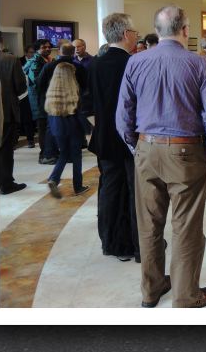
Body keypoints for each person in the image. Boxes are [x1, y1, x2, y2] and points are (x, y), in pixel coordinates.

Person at [116, 6, 206, 308]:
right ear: (185, 30)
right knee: (186, 226)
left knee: (148, 225)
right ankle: (185, 296)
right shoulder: (199, 64)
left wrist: (136, 147)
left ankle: (151, 290)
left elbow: (122, 115)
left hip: (146, 148)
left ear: (156, 30)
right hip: (186, 151)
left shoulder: (135, 61)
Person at [88, 13, 140, 262]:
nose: (137, 36)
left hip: (104, 137)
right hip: (128, 137)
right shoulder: (132, 63)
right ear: (125, 34)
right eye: (135, 31)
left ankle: (110, 241)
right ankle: (134, 244)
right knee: (134, 192)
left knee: (109, 189)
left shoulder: (95, 63)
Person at [44, 63, 90, 198]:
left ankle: (54, 179)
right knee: (76, 157)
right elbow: (80, 114)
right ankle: (78, 186)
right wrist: (88, 131)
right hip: (73, 128)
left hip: (57, 128)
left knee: (63, 154)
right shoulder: (74, 92)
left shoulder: (51, 93)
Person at [24, 39, 57, 164]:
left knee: (49, 126)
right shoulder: (35, 62)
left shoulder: (48, 60)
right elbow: (37, 81)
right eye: (44, 47)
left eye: (49, 47)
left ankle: (51, 152)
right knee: (42, 127)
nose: (47, 49)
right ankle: (44, 155)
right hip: (39, 99)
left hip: (48, 98)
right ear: (37, 49)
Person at [1, 48, 28, 194]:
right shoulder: (10, 60)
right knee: (5, 149)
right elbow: (20, 86)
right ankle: (6, 183)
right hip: (6, 111)